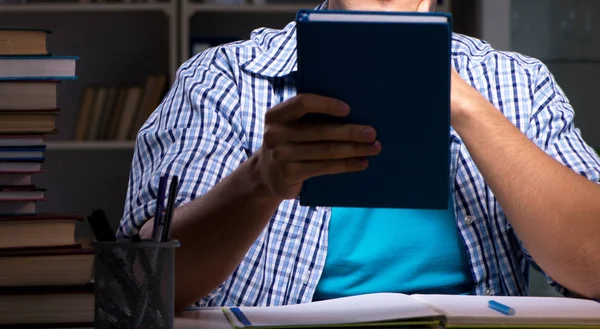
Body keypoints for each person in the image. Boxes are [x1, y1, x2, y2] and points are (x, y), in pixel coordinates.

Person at [116, 0, 600, 310]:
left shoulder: (519, 83)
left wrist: (466, 105)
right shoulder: (222, 77)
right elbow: (146, 288)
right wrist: (259, 183)